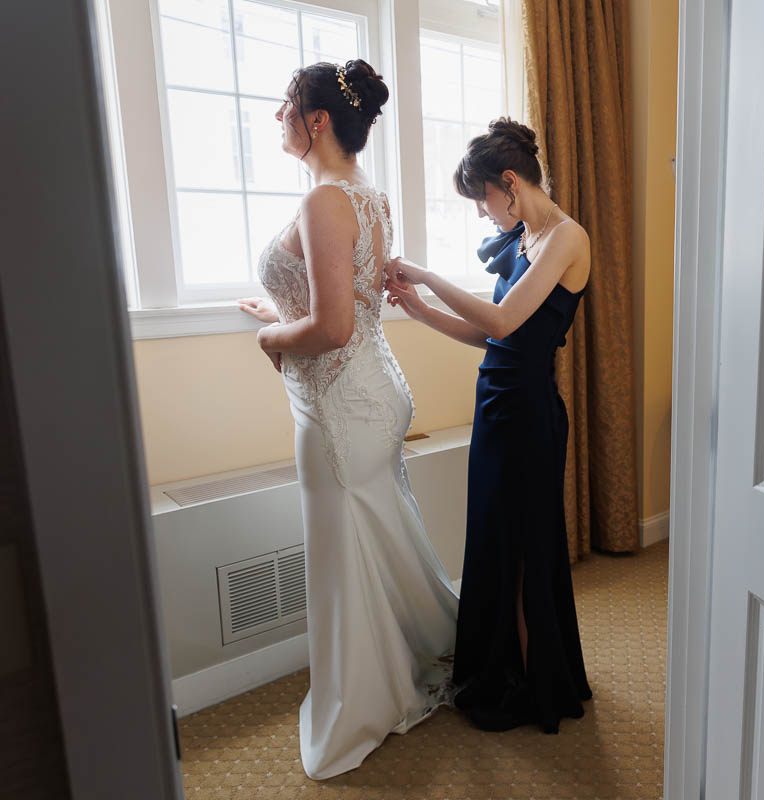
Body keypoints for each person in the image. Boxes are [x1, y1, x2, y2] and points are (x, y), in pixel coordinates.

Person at [237, 59, 457, 779]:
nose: (278, 118)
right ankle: (445, 646)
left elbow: (330, 327)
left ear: (318, 120)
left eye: (285, 106)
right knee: (376, 538)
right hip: (371, 390)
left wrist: (269, 338)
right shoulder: (370, 196)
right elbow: (350, 307)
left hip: (341, 406)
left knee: (344, 557)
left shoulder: (326, 201)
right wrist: (279, 314)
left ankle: (361, 704)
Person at [383, 118, 592, 733]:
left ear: (509, 182)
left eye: (482, 199)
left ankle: (535, 683)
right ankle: (506, 668)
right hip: (496, 406)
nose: (482, 212)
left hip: (529, 414)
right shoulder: (526, 236)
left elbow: (503, 322)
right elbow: (488, 337)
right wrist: (419, 312)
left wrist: (425, 275)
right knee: (496, 545)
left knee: (525, 550)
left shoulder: (565, 237)